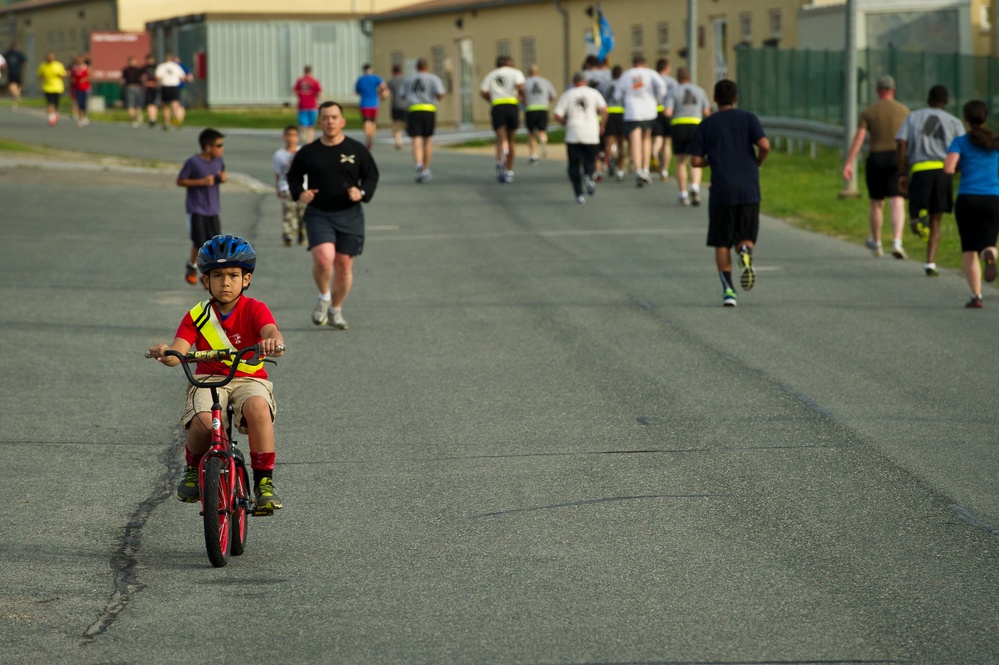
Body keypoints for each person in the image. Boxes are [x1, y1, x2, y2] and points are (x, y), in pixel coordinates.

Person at [147, 234, 286, 513]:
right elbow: (179, 352)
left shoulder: (254, 308)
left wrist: (272, 341)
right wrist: (165, 353)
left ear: (246, 279)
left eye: (234, 275)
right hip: (209, 379)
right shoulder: (197, 315)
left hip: (249, 378)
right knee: (203, 421)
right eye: (218, 275)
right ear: (205, 281)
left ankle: (264, 483)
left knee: (258, 407)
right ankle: (192, 468)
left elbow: (271, 332)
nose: (226, 282)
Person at [287, 101, 379, 330]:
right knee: (323, 258)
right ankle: (323, 296)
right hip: (319, 213)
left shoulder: (357, 150)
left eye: (334, 117)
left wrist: (362, 192)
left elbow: (371, 176)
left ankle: (336, 310)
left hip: (350, 214)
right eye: (325, 117)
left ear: (342, 121)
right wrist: (300, 193)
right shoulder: (309, 152)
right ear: (319, 122)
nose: (330, 121)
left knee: (344, 265)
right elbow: (293, 177)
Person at [688, 79, 770, 308]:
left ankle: (729, 290)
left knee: (721, 241)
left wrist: (710, 160)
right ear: (736, 98)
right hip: (749, 189)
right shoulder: (749, 119)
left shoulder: (707, 124)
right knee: (746, 235)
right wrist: (758, 163)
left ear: (714, 99)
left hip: (722, 190)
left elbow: (694, 160)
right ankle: (744, 251)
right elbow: (765, 145)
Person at [895, 85, 965, 277]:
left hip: (920, 171)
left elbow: (901, 143)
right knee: (937, 218)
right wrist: (958, 169)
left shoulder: (913, 117)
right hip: (943, 172)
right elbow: (962, 148)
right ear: (946, 101)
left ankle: (918, 219)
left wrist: (902, 173)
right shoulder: (954, 122)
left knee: (915, 214)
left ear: (928, 99)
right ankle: (930, 263)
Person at [843, 75, 910, 259]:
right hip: (898, 157)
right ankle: (897, 241)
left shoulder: (869, 112)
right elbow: (909, 138)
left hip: (876, 158)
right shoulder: (904, 111)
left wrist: (849, 162)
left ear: (878, 91)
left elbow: (859, 138)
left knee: (876, 202)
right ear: (893, 91)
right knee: (897, 201)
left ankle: (877, 242)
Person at [944, 100, 999, 308]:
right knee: (989, 244)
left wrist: (960, 167)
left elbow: (948, 168)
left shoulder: (960, 141)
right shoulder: (995, 141)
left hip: (968, 198)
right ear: (985, 117)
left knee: (969, 248)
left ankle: (977, 296)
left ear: (965, 119)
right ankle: (989, 256)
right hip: (993, 197)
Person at [177, 129, 227, 285]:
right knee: (200, 243)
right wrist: (201, 182)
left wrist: (222, 178)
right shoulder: (193, 162)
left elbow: (219, 175)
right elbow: (180, 181)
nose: (222, 148)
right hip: (196, 209)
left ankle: (202, 272)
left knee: (214, 244)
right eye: (219, 145)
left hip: (213, 209)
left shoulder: (219, 161)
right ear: (207, 147)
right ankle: (199, 271)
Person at [553, 70, 608, 203]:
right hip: (590, 132)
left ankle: (579, 193)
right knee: (590, 160)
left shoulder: (568, 94)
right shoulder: (594, 93)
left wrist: (565, 123)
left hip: (573, 133)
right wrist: (602, 125)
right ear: (585, 82)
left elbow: (557, 114)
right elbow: (604, 110)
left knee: (574, 164)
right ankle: (589, 176)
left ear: (573, 82)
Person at [615, 55, 666, 188]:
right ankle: (645, 169)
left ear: (633, 63)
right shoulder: (651, 73)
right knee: (647, 138)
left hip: (632, 110)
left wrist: (623, 101)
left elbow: (617, 95)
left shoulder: (626, 75)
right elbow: (661, 86)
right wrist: (657, 99)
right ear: (645, 63)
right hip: (649, 110)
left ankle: (638, 169)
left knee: (635, 139)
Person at [665, 66, 711, 204]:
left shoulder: (673, 91)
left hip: (679, 125)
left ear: (678, 78)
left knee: (680, 161)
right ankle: (695, 187)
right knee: (695, 159)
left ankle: (683, 193)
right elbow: (707, 111)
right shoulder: (700, 91)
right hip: (696, 125)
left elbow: (667, 112)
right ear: (689, 77)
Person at [479, 55, 526, 183]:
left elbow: (483, 91)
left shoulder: (491, 74)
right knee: (512, 139)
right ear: (510, 63)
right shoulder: (516, 73)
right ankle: (509, 170)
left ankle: (501, 159)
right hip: (511, 105)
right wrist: (523, 99)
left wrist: (492, 99)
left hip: (498, 106)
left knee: (500, 137)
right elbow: (521, 87)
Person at [400, 57, 445, 183]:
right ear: (427, 67)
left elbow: (402, 95)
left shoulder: (408, 79)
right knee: (428, 139)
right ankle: (426, 167)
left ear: (416, 67)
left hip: (413, 109)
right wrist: (434, 99)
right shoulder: (433, 78)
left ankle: (418, 163)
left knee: (416, 138)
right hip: (429, 109)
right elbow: (440, 93)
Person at [273, 125, 307, 246]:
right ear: (284, 137)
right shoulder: (279, 155)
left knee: (302, 212)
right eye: (288, 135)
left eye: (294, 135)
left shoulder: (302, 152)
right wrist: (277, 187)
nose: (291, 138)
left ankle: (302, 234)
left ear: (298, 137)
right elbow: (277, 173)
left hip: (302, 186)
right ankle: (288, 236)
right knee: (288, 212)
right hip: (286, 186)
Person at [523, 64, 557, 164]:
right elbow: (553, 96)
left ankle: (534, 154)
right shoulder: (545, 82)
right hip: (543, 108)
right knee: (542, 130)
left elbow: (520, 95)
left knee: (531, 133)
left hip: (530, 109)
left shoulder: (525, 82)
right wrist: (546, 101)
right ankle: (543, 142)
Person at [652, 57, 678, 181]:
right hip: (668, 111)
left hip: (654, 111)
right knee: (667, 142)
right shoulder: (672, 82)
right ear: (667, 68)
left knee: (657, 139)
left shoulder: (652, 80)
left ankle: (654, 153)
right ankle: (664, 171)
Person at [599, 64, 627, 181]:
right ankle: (620, 170)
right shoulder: (625, 85)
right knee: (621, 143)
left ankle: (610, 157)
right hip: (622, 113)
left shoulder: (604, 85)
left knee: (609, 141)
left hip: (609, 113)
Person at [355, 64, 388, 150]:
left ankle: (368, 134)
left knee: (366, 121)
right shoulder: (376, 78)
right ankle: (372, 136)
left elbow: (357, 92)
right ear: (371, 69)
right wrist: (380, 93)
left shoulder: (360, 80)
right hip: (374, 103)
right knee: (373, 121)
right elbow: (383, 86)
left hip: (364, 103)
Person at [156, 53, 187, 130]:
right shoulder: (176, 67)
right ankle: (175, 117)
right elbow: (182, 77)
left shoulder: (161, 66)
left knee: (165, 105)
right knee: (175, 104)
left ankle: (166, 122)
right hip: (174, 86)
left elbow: (158, 77)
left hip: (165, 86)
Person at [36, 52, 67, 127]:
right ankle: (51, 118)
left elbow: (63, 74)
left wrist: (60, 75)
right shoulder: (43, 66)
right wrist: (42, 76)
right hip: (47, 87)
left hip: (57, 88)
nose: (50, 59)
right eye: (48, 57)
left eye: (51, 57)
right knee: (50, 103)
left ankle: (55, 114)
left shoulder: (58, 65)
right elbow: (39, 76)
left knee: (55, 104)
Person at [293, 65, 322, 144]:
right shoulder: (314, 80)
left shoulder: (300, 80)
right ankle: (310, 141)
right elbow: (319, 93)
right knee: (311, 125)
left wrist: (301, 96)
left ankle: (303, 139)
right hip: (312, 105)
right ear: (311, 71)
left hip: (302, 105)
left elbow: (295, 91)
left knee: (303, 124)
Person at [386, 64, 407, 150]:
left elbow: (386, 93)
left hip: (395, 104)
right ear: (401, 71)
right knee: (403, 122)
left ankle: (398, 140)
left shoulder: (391, 81)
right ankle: (400, 136)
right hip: (405, 104)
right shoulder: (405, 81)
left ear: (393, 72)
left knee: (395, 123)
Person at [121, 56, 145, 127]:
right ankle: (139, 117)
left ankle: (133, 119)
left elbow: (123, 80)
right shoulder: (138, 70)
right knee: (138, 103)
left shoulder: (126, 70)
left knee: (131, 104)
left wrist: (123, 86)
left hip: (129, 87)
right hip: (137, 87)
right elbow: (142, 78)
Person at [69, 54, 91, 127]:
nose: (79, 60)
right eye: (78, 59)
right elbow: (71, 76)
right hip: (77, 88)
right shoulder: (74, 68)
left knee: (84, 103)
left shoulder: (86, 67)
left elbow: (90, 76)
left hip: (85, 88)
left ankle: (84, 116)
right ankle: (80, 118)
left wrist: (84, 79)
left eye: (81, 59)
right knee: (78, 102)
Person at [3, 42, 26, 109]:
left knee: (12, 86)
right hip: (18, 72)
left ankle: (16, 96)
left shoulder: (7, 53)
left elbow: (4, 63)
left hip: (11, 72)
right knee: (17, 86)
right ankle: (17, 97)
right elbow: (24, 63)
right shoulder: (19, 53)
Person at [141, 54, 159, 128]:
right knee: (150, 104)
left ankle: (153, 118)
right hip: (150, 87)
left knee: (153, 104)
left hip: (154, 87)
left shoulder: (156, 67)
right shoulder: (145, 68)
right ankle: (152, 118)